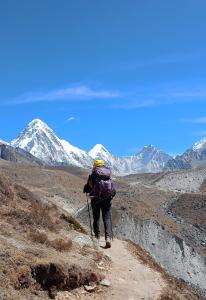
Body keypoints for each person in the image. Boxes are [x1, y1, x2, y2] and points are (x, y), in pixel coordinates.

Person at [83, 160, 116, 248]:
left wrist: (86, 189)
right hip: (107, 199)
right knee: (107, 218)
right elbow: (112, 187)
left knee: (96, 218)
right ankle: (108, 238)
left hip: (96, 199)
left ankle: (97, 237)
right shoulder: (107, 174)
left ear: (95, 166)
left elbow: (89, 187)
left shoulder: (93, 175)